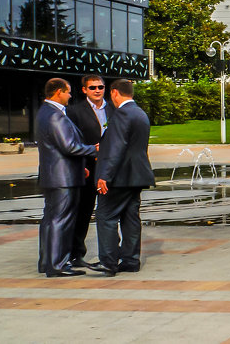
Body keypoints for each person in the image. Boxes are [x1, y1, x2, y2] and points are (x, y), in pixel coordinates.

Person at [89, 79, 155, 276]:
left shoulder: (122, 114)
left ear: (115, 93)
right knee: (130, 218)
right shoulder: (140, 113)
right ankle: (130, 260)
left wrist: (104, 176)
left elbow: (115, 148)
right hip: (137, 175)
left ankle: (108, 262)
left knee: (106, 216)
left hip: (120, 176)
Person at [36, 78, 97, 277]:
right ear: (58, 92)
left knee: (50, 219)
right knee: (61, 220)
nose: (70, 96)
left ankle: (46, 262)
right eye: (68, 92)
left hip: (54, 175)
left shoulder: (44, 112)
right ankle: (58, 265)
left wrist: (81, 168)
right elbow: (69, 146)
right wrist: (95, 149)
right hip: (63, 179)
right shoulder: (55, 115)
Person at [66, 73, 111, 269]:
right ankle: (76, 253)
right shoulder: (74, 111)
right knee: (83, 211)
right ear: (84, 90)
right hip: (87, 166)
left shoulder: (114, 108)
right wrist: (82, 162)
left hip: (109, 167)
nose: (97, 91)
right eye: (92, 87)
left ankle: (110, 253)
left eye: (100, 87)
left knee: (108, 211)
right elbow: (72, 141)